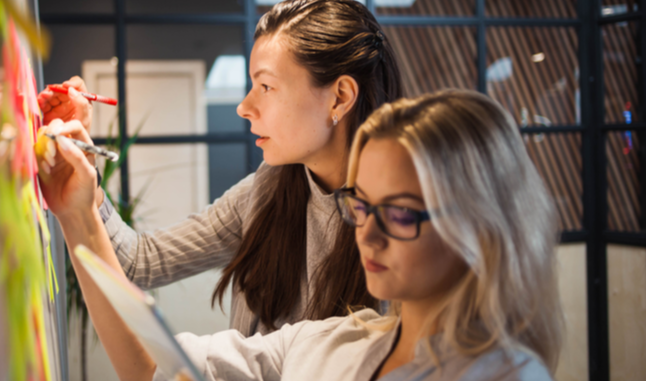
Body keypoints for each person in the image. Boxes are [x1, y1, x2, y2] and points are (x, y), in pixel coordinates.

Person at [38, 89, 563, 380]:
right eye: (362, 206)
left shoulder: (506, 375)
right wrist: (78, 214)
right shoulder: (330, 342)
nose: (369, 237)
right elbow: (156, 367)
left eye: (400, 214)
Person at [39, 0, 403, 335]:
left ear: (339, 98)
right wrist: (84, 181)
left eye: (266, 87)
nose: (244, 107)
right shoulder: (269, 188)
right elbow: (140, 261)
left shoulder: (401, 227)